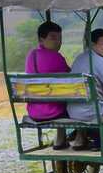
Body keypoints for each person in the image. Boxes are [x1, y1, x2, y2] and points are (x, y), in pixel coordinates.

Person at [25, 21, 71, 150]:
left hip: (33, 111)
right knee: (78, 105)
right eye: (53, 37)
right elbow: (71, 76)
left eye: (60, 38)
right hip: (53, 112)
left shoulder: (31, 55)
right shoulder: (56, 57)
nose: (58, 42)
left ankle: (60, 139)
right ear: (41, 39)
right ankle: (78, 138)